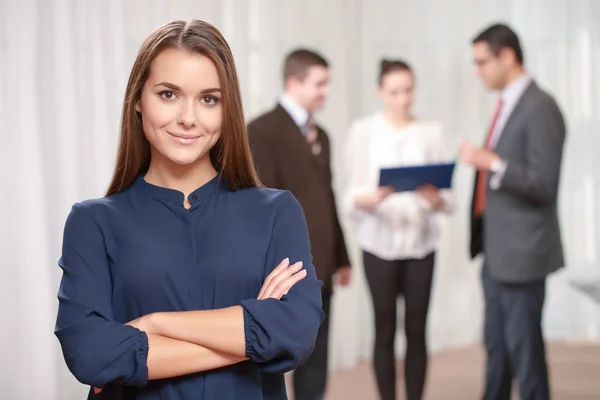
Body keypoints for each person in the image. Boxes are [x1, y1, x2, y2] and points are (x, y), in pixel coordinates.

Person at [54, 20, 324, 400]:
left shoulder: (276, 211)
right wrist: (249, 334)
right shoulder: (92, 221)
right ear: (137, 98)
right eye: (168, 94)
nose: (188, 117)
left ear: (226, 108)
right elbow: (91, 354)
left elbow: (295, 334)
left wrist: (154, 324)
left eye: (209, 99)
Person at [460, 23, 566, 400]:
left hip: (523, 253)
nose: (478, 71)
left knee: (525, 352)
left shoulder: (540, 107)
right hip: (497, 250)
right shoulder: (508, 103)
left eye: (482, 62)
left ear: (507, 56)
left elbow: (544, 183)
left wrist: (493, 163)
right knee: (497, 347)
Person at [342, 59, 454, 400]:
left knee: (417, 329)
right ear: (380, 92)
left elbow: (449, 198)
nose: (402, 99)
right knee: (385, 328)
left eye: (408, 90)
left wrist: (436, 199)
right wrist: (369, 199)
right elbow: (349, 193)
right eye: (394, 92)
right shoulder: (363, 132)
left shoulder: (431, 131)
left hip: (422, 243)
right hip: (379, 244)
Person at [247, 49, 351, 400]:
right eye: (319, 83)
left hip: (322, 263)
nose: (326, 91)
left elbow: (328, 198)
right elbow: (259, 206)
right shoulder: (261, 131)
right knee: (275, 358)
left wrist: (342, 255)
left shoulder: (321, 135)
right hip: (284, 268)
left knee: (316, 357)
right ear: (294, 82)